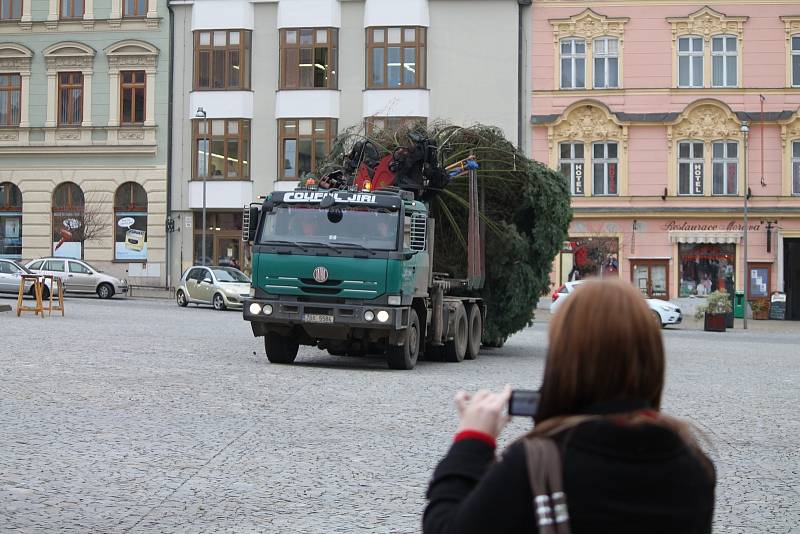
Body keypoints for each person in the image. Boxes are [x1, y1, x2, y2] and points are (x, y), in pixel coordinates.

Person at [423, 280, 715, 534]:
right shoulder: (695, 467)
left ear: (565, 358)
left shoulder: (536, 464)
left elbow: (446, 526)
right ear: (652, 358)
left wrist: (472, 441)